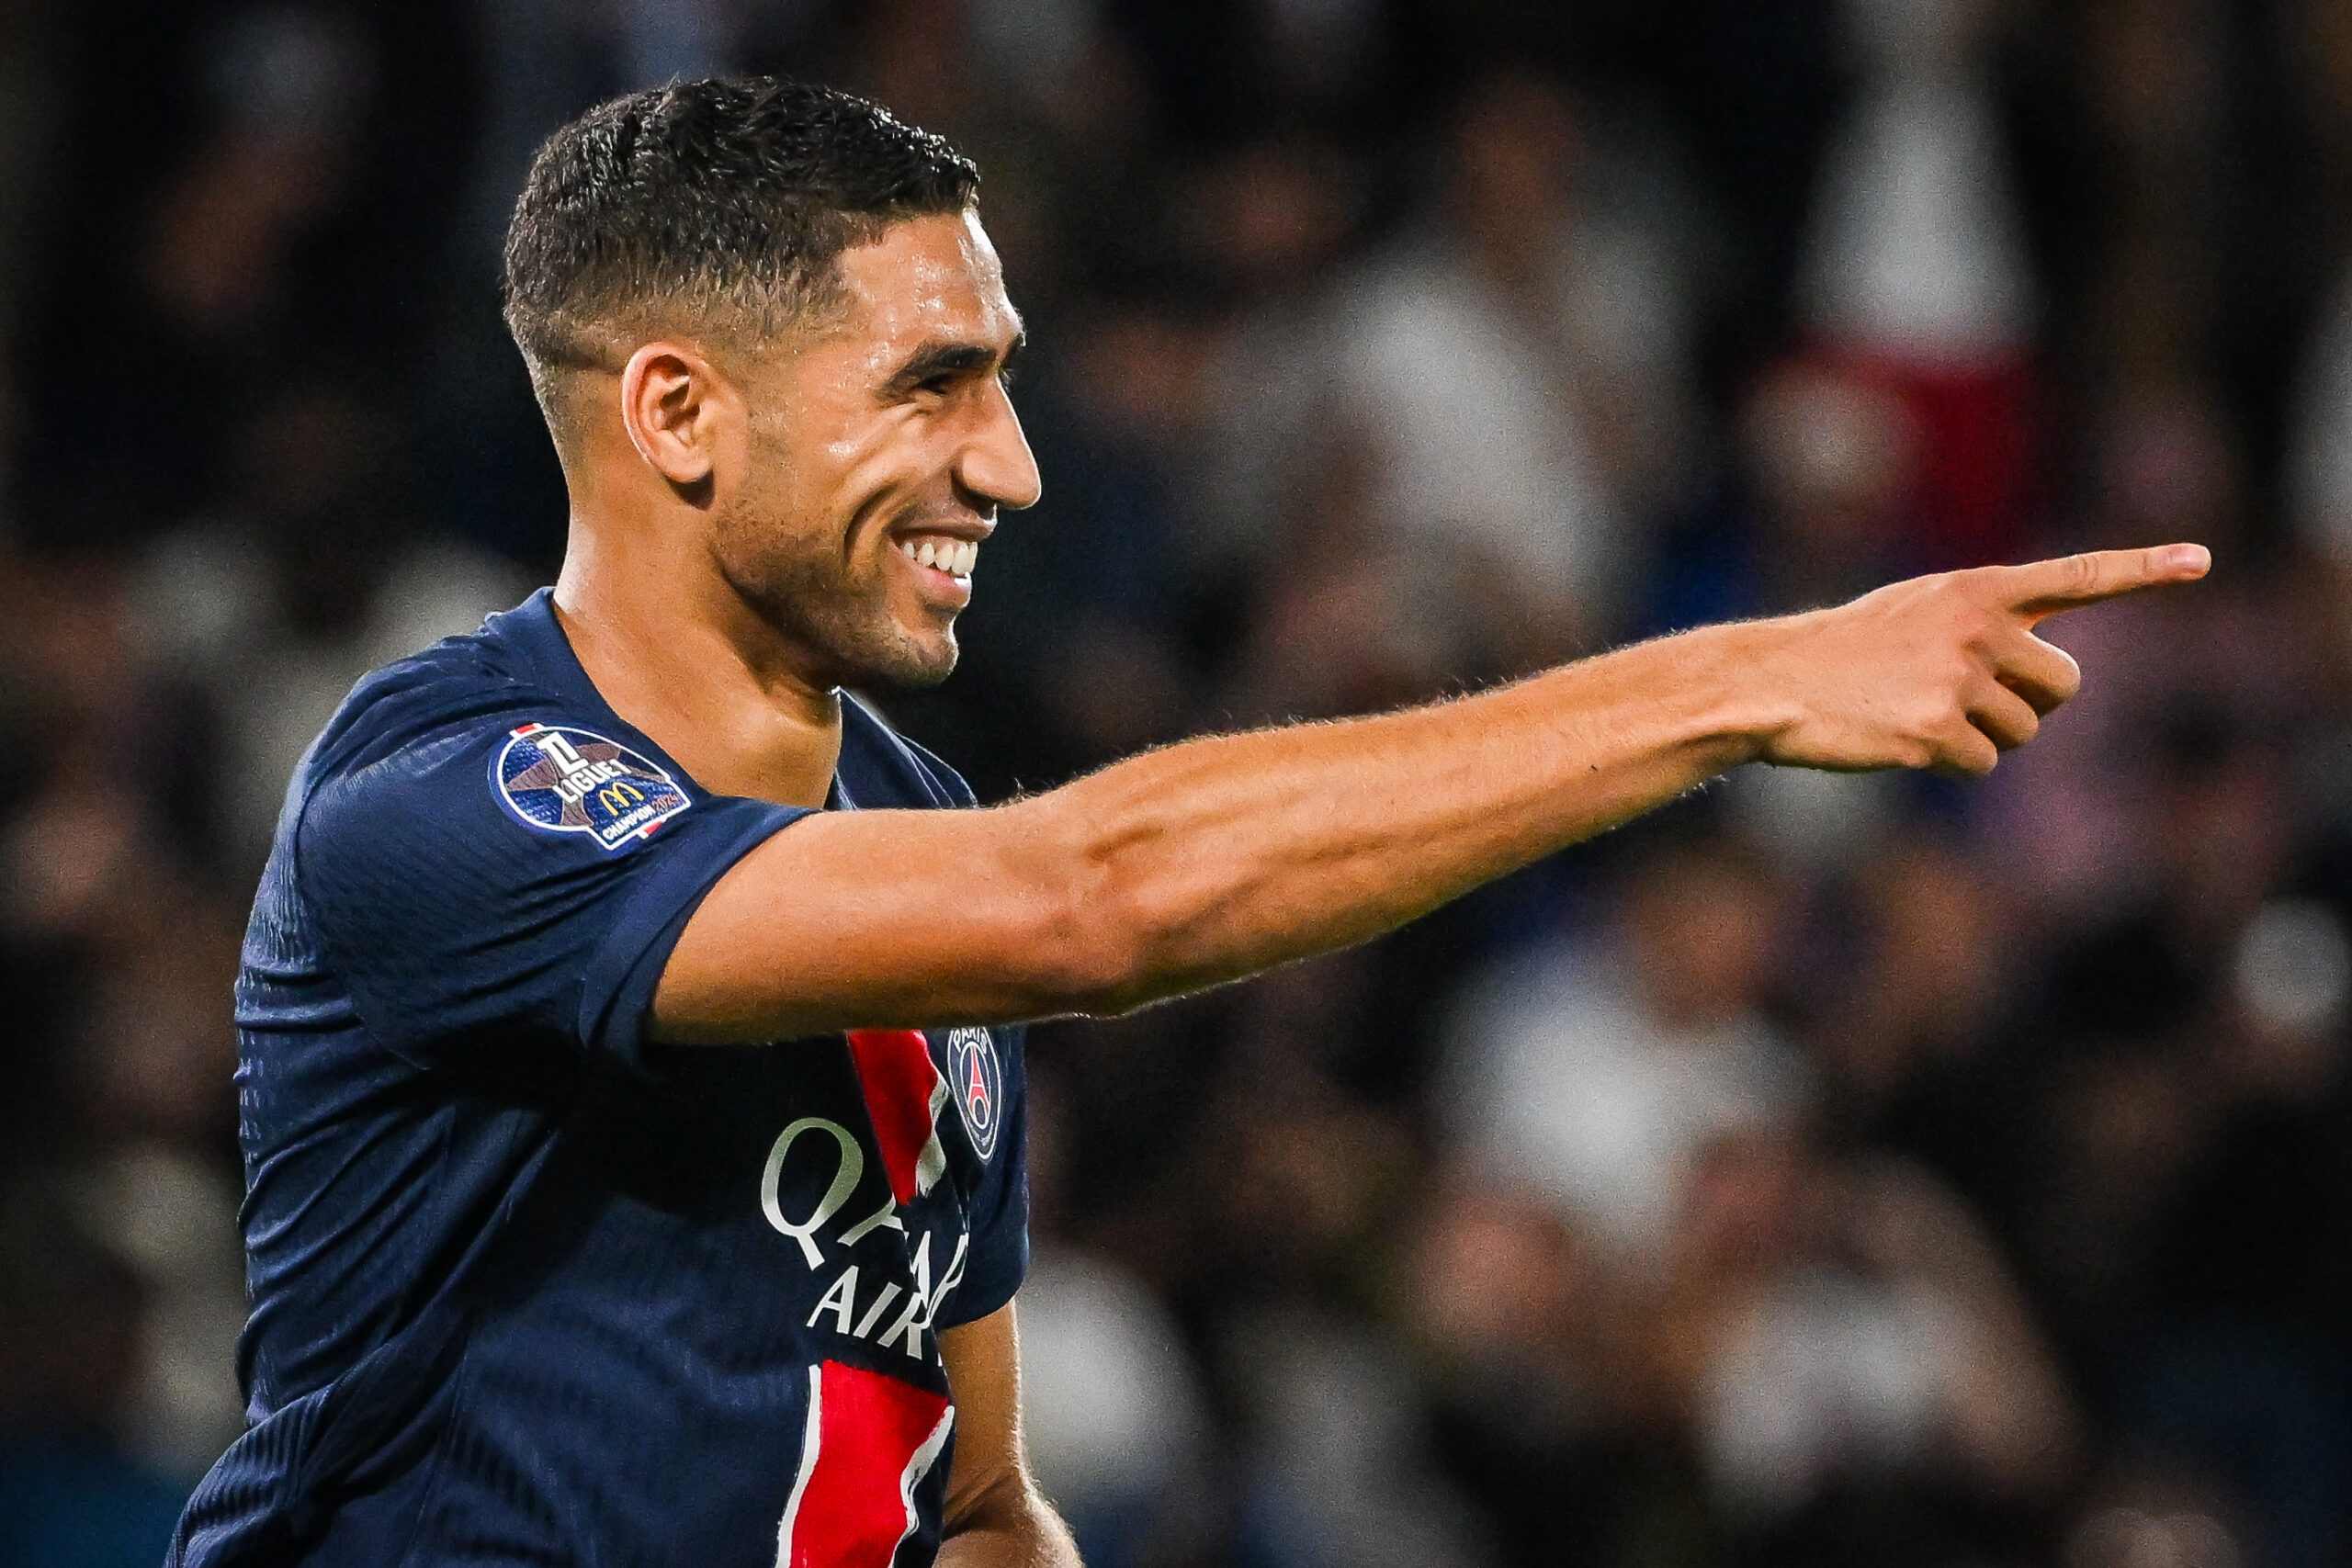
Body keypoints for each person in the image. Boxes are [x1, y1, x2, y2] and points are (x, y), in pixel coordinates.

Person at [166, 76, 2207, 1568]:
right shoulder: (445, 796)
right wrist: (1736, 681)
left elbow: (965, 1504)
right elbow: (1096, 898)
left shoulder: (909, 835)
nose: (1017, 467)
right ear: (681, 414)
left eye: (1010, 383)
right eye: (936, 385)